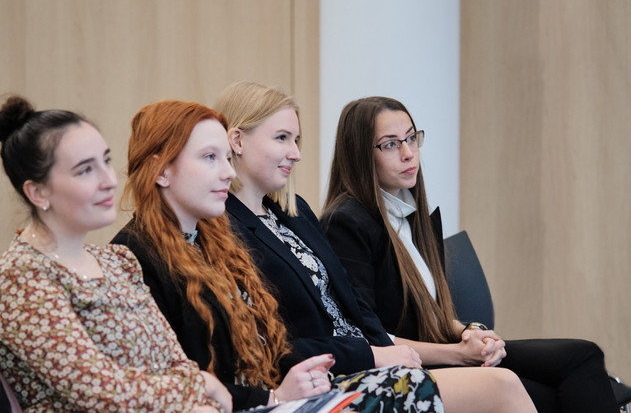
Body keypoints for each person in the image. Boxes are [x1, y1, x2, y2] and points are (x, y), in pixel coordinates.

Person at [214, 80, 537, 413]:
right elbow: (269, 342)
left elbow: (355, 306)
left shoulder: (294, 212)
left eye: (296, 140)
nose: (296, 153)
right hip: (323, 380)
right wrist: (374, 355)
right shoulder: (224, 229)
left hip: (368, 363)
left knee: (544, 369)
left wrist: (397, 352)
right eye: (282, 138)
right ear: (237, 140)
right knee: (503, 386)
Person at [112, 99, 447, 413]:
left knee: (425, 381)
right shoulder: (134, 255)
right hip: (248, 403)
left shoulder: (210, 241)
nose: (228, 173)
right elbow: (170, 380)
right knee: (412, 385)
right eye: (210, 158)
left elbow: (263, 343)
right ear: (162, 172)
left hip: (269, 394)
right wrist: (275, 396)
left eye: (226, 159)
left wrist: (290, 385)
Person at [321, 96, 621, 413]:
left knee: (583, 357)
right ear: (359, 155)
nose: (409, 153)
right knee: (554, 394)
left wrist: (470, 333)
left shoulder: (408, 212)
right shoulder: (346, 224)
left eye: (411, 138)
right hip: (409, 370)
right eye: (391, 144)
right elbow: (370, 338)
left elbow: (429, 311)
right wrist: (459, 352)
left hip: (443, 349)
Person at [0, 95, 229, 412]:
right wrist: (199, 387)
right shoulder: (20, 279)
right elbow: (100, 390)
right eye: (85, 170)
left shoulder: (117, 261)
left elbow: (176, 362)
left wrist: (196, 396)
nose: (109, 180)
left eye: (106, 161)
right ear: (38, 192)